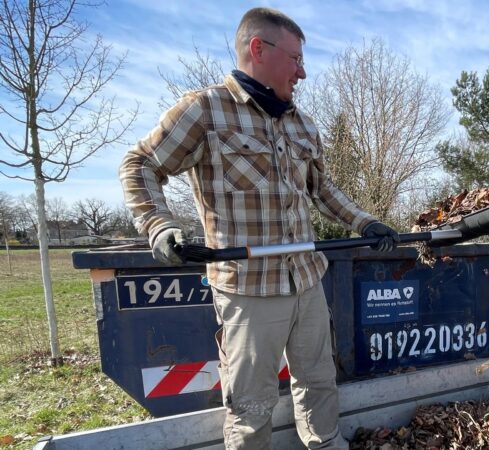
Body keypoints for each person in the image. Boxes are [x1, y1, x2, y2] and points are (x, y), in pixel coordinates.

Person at [119, 7, 399, 449]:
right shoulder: (205, 111)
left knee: (320, 383)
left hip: (306, 281)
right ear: (258, 49)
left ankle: (325, 444)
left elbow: (323, 190)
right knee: (251, 404)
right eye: (295, 59)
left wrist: (368, 222)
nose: (302, 72)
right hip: (248, 289)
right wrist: (158, 224)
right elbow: (140, 166)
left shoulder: (301, 123)